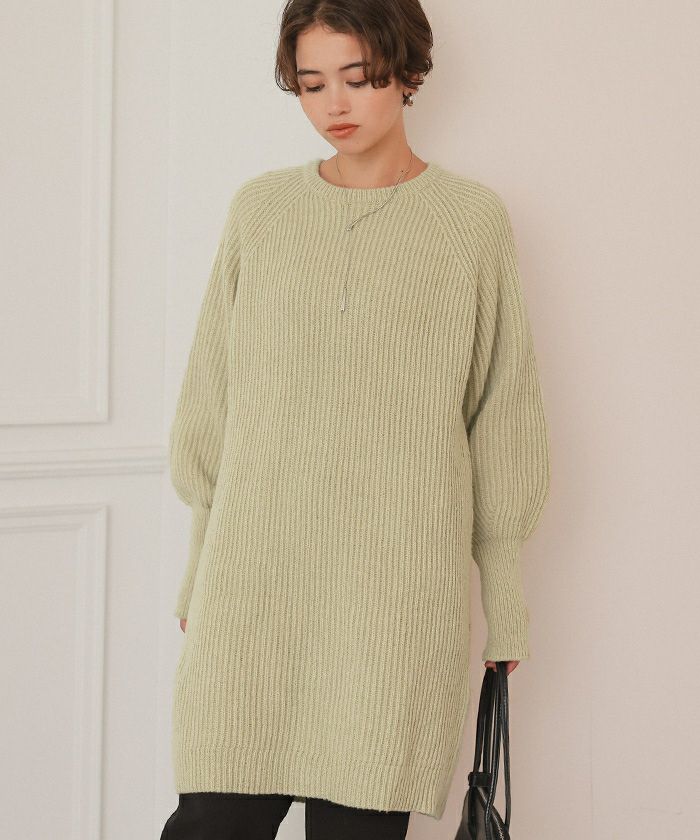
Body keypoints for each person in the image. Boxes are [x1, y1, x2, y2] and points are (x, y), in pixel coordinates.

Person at [160, 0, 551, 837]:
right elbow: (212, 396)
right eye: (311, 84)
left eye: (358, 77)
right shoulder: (261, 211)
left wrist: (505, 594)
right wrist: (199, 568)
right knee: (211, 821)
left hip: (396, 596)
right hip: (252, 586)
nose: (334, 104)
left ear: (406, 74)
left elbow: (502, 411)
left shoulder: (470, 221)